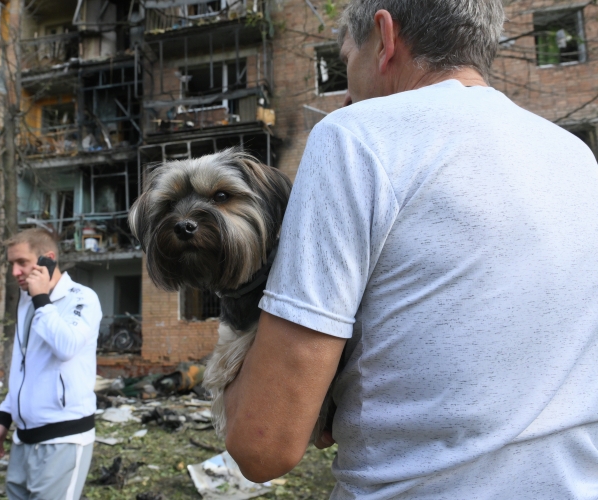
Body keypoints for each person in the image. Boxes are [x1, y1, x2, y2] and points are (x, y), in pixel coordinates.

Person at [224, 1, 598, 498]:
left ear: (385, 38)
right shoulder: (575, 156)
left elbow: (263, 445)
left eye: (344, 60)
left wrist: (236, 320)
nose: (346, 89)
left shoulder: (355, 136)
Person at [0, 228, 102, 500]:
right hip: (24, 439)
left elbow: (66, 347)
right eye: (11, 263)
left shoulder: (82, 298)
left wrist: (41, 299)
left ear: (48, 259)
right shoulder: (27, 303)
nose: (15, 272)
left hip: (63, 438)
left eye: (22, 263)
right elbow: (25, 367)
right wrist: (4, 417)